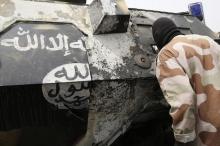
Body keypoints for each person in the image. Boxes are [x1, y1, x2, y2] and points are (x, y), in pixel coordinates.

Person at [152, 17, 220, 146]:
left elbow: (184, 102)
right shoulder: (207, 40)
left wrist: (183, 139)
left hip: (209, 132)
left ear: (157, 37)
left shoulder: (167, 53)